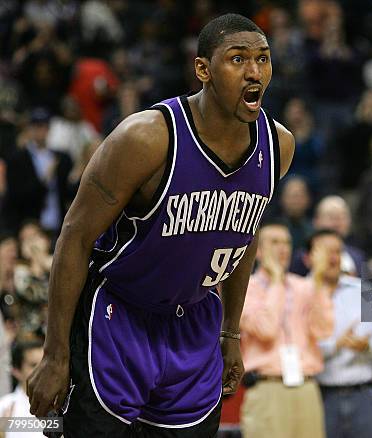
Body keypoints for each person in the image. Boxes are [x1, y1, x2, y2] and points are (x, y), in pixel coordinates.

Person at [26, 13, 295, 438]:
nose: (254, 71)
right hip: (120, 319)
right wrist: (55, 356)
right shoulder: (146, 138)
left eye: (263, 59)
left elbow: (245, 235)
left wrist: (231, 333)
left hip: (195, 324)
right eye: (238, 59)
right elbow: (75, 239)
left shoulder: (278, 144)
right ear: (203, 69)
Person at [239, 222, 334, 438]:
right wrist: (275, 283)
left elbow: (324, 330)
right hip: (267, 387)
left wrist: (318, 282)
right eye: (274, 242)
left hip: (306, 386)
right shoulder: (244, 290)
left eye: (287, 242)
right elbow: (267, 329)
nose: (283, 248)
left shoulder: (303, 286)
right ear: (258, 250)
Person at [314, 229, 372, 438]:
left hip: (365, 395)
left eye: (337, 251)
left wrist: (367, 347)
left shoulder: (365, 293)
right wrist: (335, 345)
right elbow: (297, 351)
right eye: (326, 251)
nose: (333, 258)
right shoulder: (301, 294)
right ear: (309, 257)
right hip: (321, 395)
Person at [0, 340, 44, 438]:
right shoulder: (4, 407)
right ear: (16, 371)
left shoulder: (62, 406)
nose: (41, 370)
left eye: (44, 363)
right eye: (33, 365)